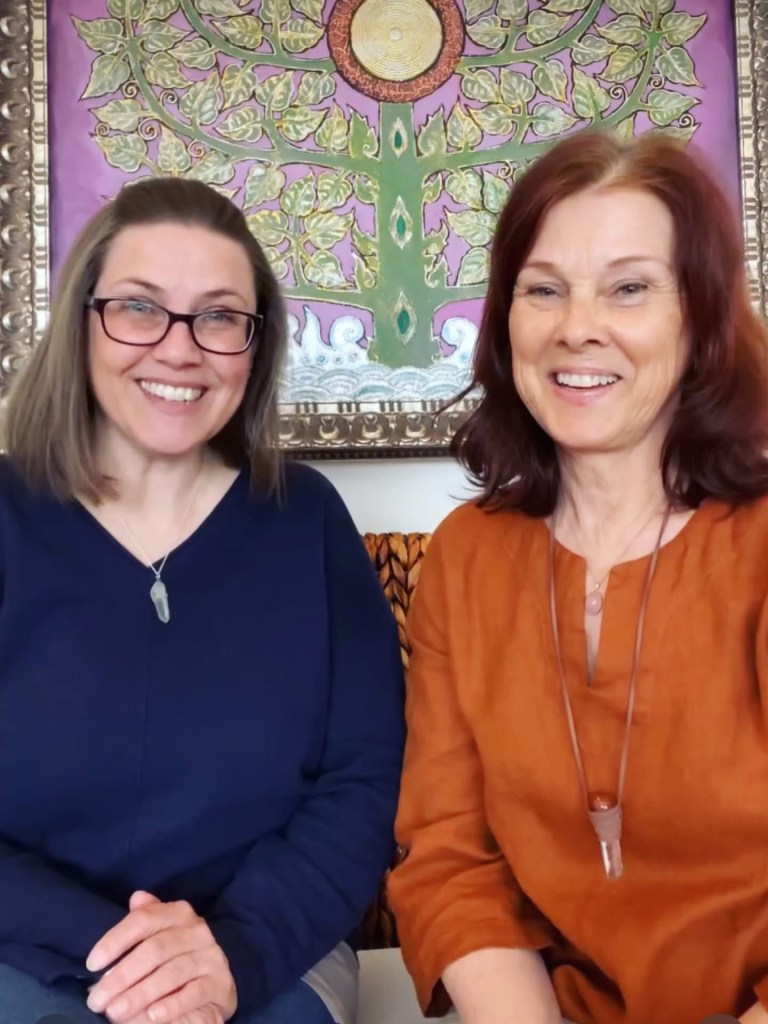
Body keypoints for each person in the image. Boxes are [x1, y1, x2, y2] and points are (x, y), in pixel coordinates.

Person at [0, 176, 405, 1024]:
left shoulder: (308, 521)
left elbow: (361, 782)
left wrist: (234, 951)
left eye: (219, 317)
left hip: (271, 950)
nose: (180, 349)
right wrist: (133, 956)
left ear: (256, 344)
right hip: (23, 946)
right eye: (139, 307)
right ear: (81, 323)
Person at [386, 129, 768, 1024]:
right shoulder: (466, 555)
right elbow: (450, 859)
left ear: (702, 317)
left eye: (629, 288)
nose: (575, 327)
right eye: (543, 289)